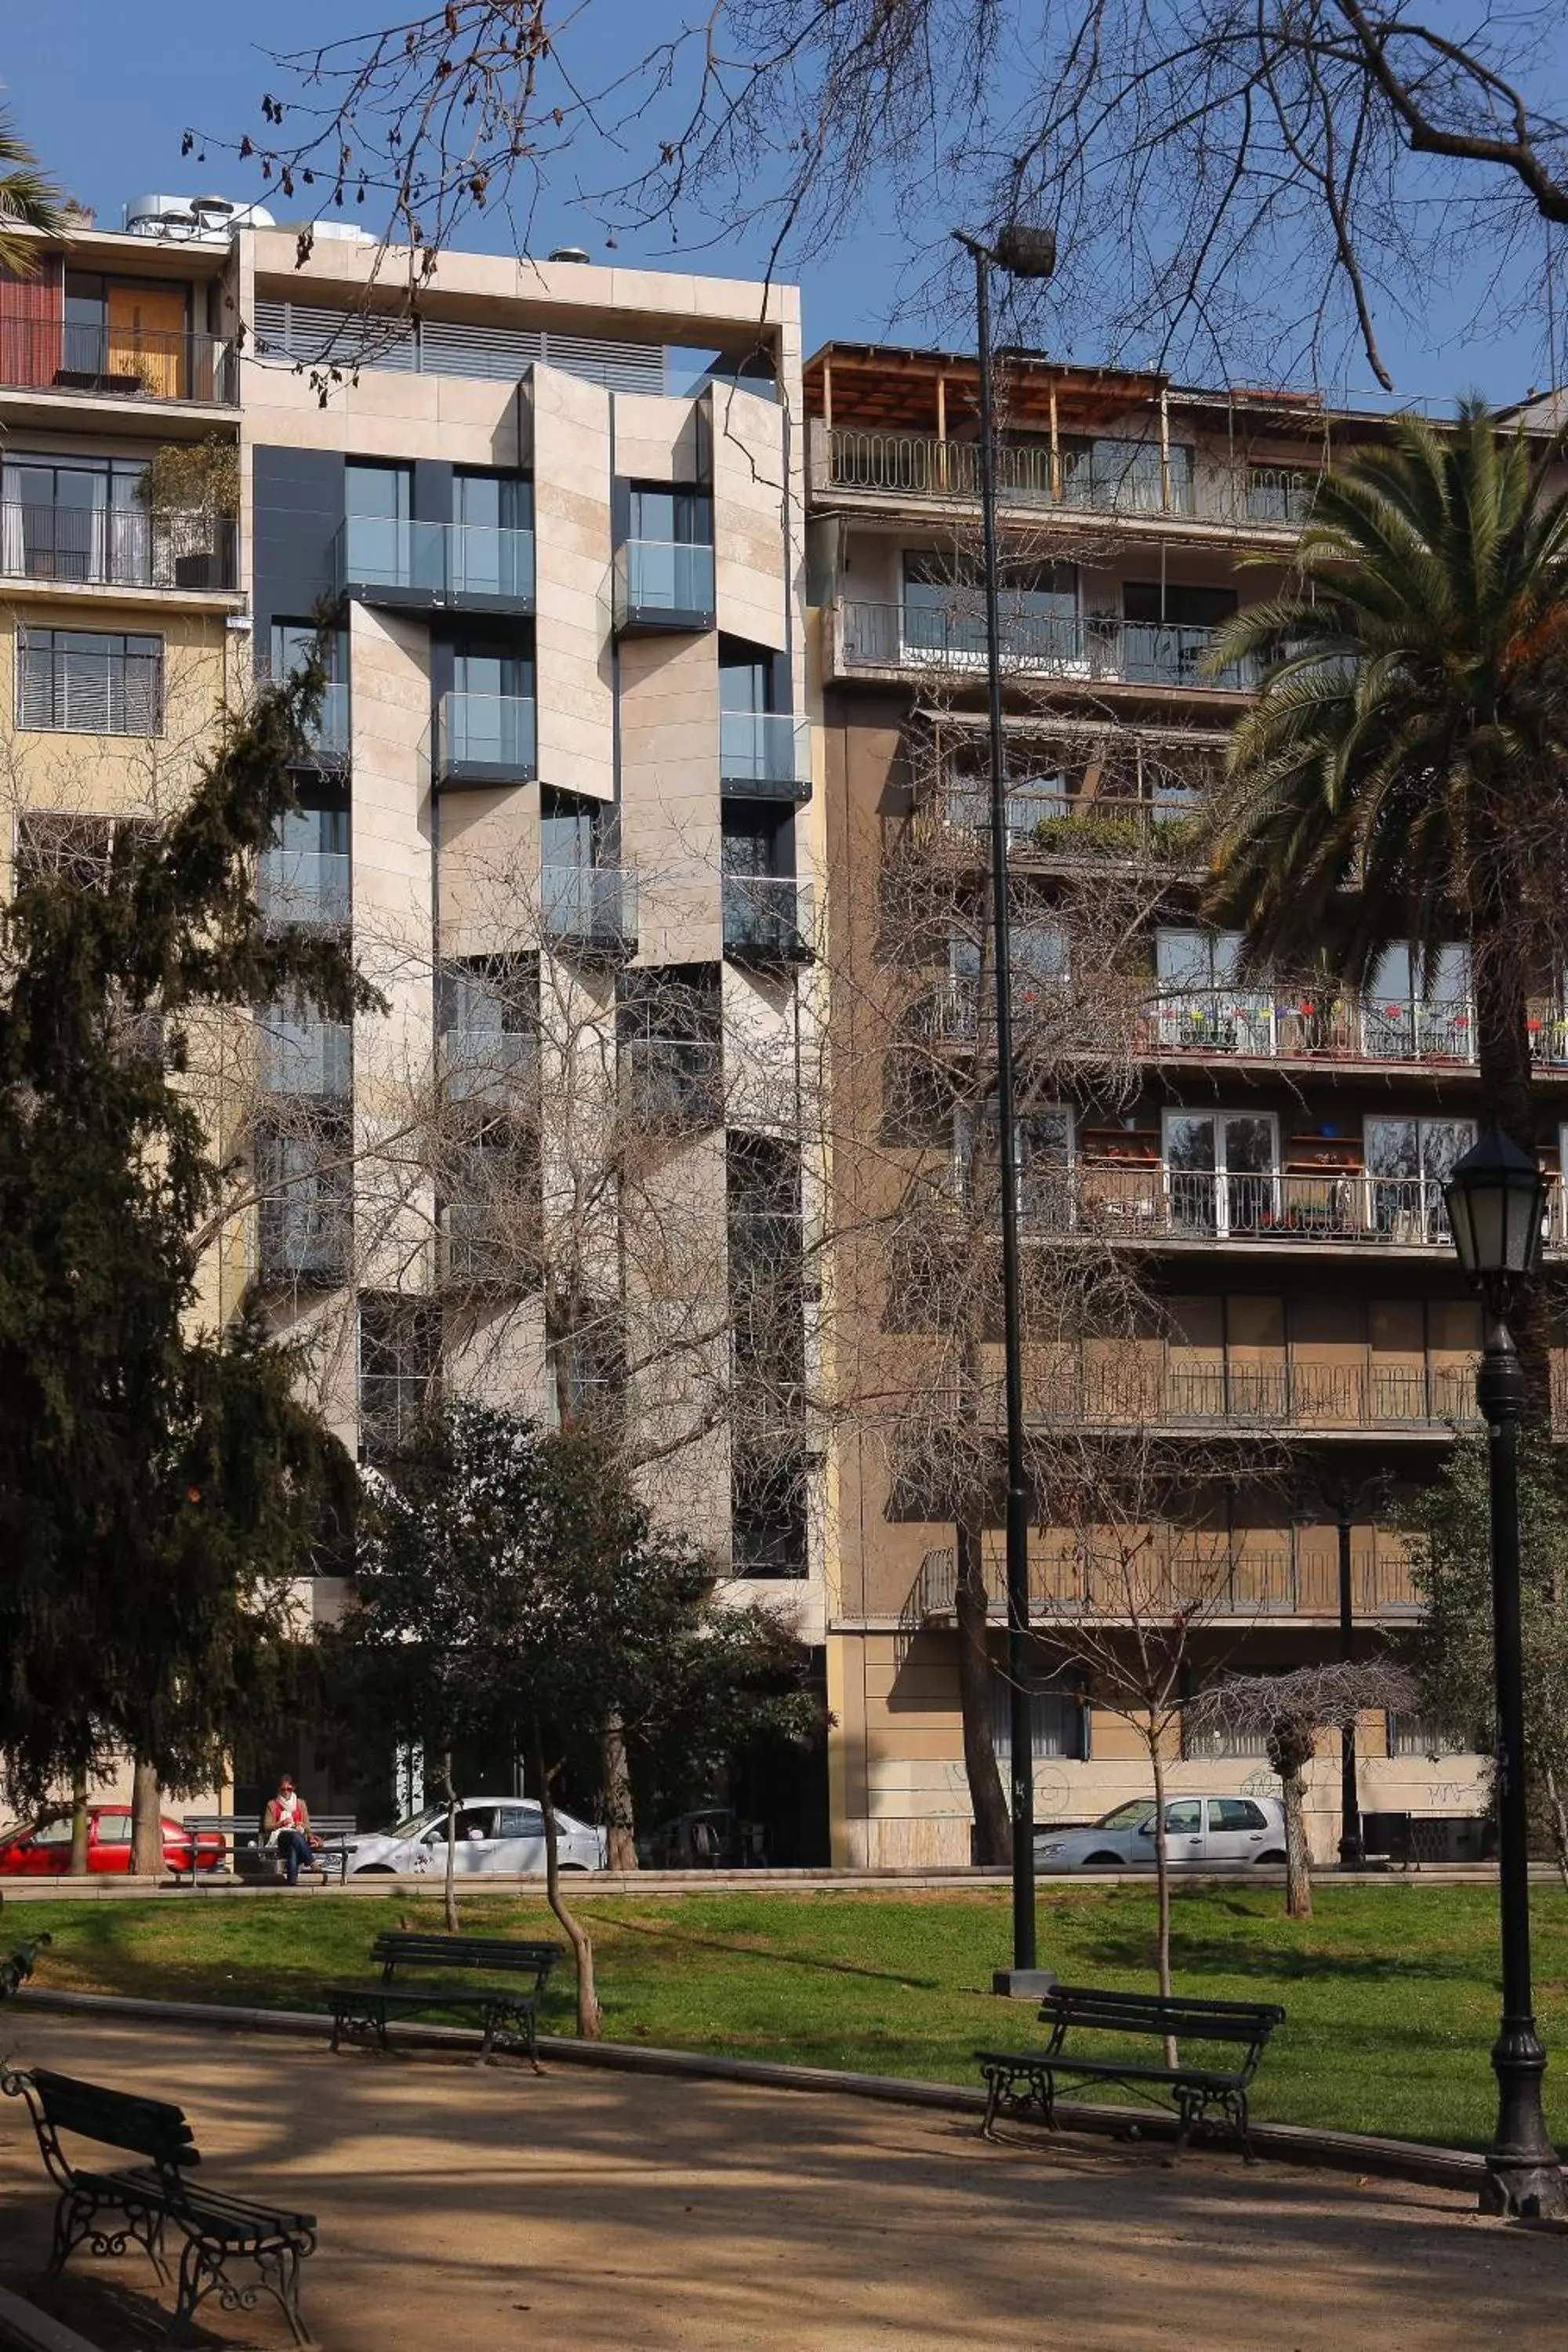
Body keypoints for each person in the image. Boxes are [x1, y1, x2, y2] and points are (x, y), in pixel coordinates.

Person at [261, 1776, 319, 1887]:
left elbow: (308, 1827)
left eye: (289, 1789)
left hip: (298, 1839)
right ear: (279, 1789)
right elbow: (267, 1827)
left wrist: (300, 1824)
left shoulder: (301, 1803)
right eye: (283, 1789)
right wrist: (281, 1824)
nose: (286, 1792)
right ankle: (311, 1861)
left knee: (294, 1844)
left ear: (294, 1789)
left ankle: (292, 1882)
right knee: (293, 1835)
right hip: (281, 1838)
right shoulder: (272, 1804)